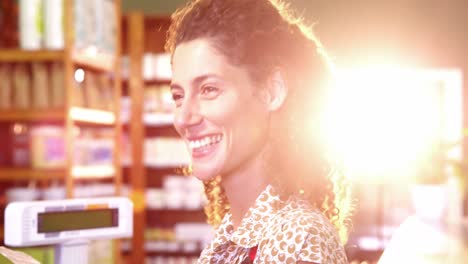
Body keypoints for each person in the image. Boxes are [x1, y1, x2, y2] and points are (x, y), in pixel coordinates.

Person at [166, 0, 352, 263]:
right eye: (178, 96)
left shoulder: (299, 239)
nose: (183, 117)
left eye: (209, 89)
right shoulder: (227, 240)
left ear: (271, 92)